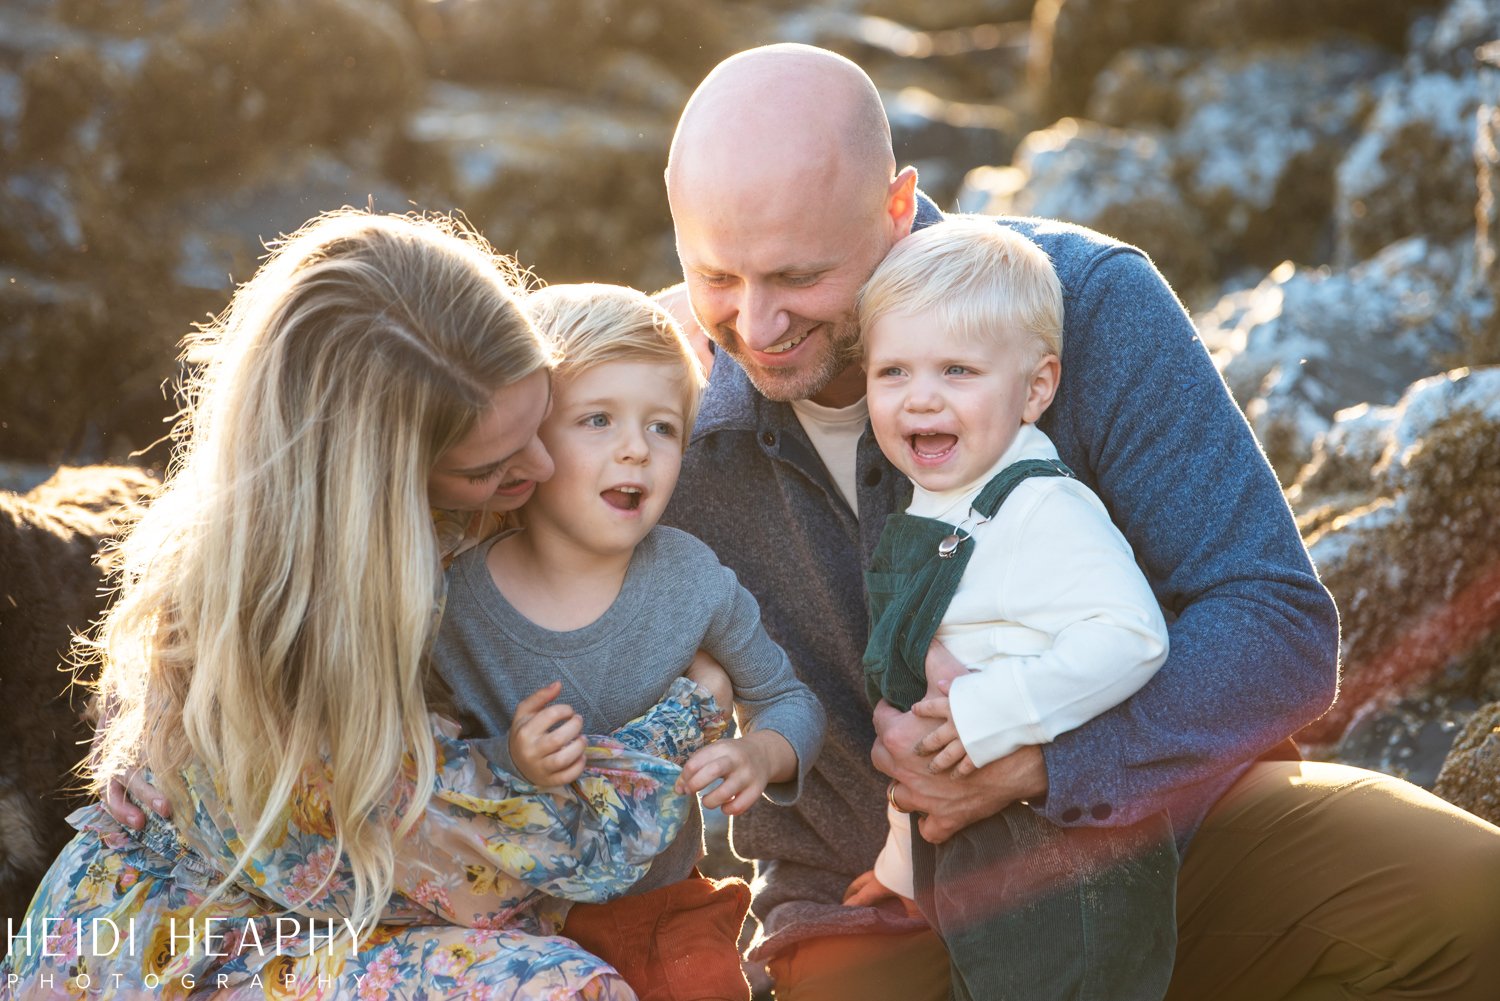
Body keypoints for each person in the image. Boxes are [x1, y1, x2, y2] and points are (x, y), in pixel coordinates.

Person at [658, 42, 1500, 1001]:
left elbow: (1279, 625)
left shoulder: (1087, 301)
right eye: (716, 277)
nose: (756, 326)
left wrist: (1042, 763)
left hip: (1167, 833)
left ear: (898, 208)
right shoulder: (653, 397)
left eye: (796, 277)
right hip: (872, 901)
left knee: (1479, 903)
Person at [1, 210, 726, 1000]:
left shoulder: (424, 477)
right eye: (493, 465)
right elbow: (504, 869)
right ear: (379, 489)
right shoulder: (292, 655)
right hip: (184, 954)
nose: (548, 462)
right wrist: (691, 711)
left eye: (545, 411)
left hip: (324, 907)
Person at [432, 282, 826, 1001]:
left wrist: (758, 751)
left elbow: (788, 699)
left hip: (665, 919)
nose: (635, 450)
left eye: (662, 427)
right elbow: (426, 769)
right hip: (513, 926)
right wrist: (510, 757)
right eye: (598, 419)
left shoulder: (690, 578)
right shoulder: (455, 604)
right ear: (530, 442)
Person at [846, 216, 1177, 1000]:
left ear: (1036, 388)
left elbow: (1132, 635)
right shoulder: (935, 506)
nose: (920, 396)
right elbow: (915, 718)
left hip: (1067, 866)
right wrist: (901, 865)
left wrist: (992, 707)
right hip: (975, 872)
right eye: (893, 371)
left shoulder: (1041, 509)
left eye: (957, 370)